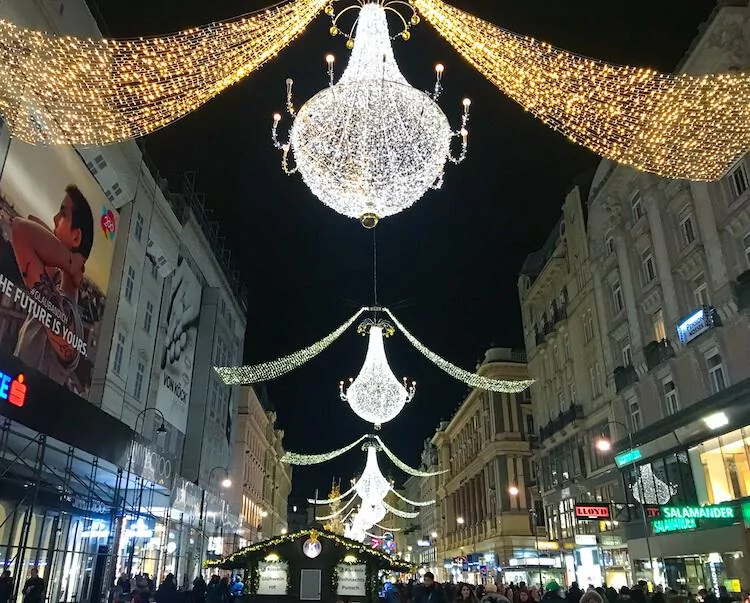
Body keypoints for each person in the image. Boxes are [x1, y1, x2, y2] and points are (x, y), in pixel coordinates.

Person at [10, 185, 93, 384]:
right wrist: (68, 260)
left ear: (76, 237)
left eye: (62, 213)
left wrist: (69, 263)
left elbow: (20, 229)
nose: (55, 219)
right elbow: (32, 220)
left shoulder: (66, 314)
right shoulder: (53, 288)